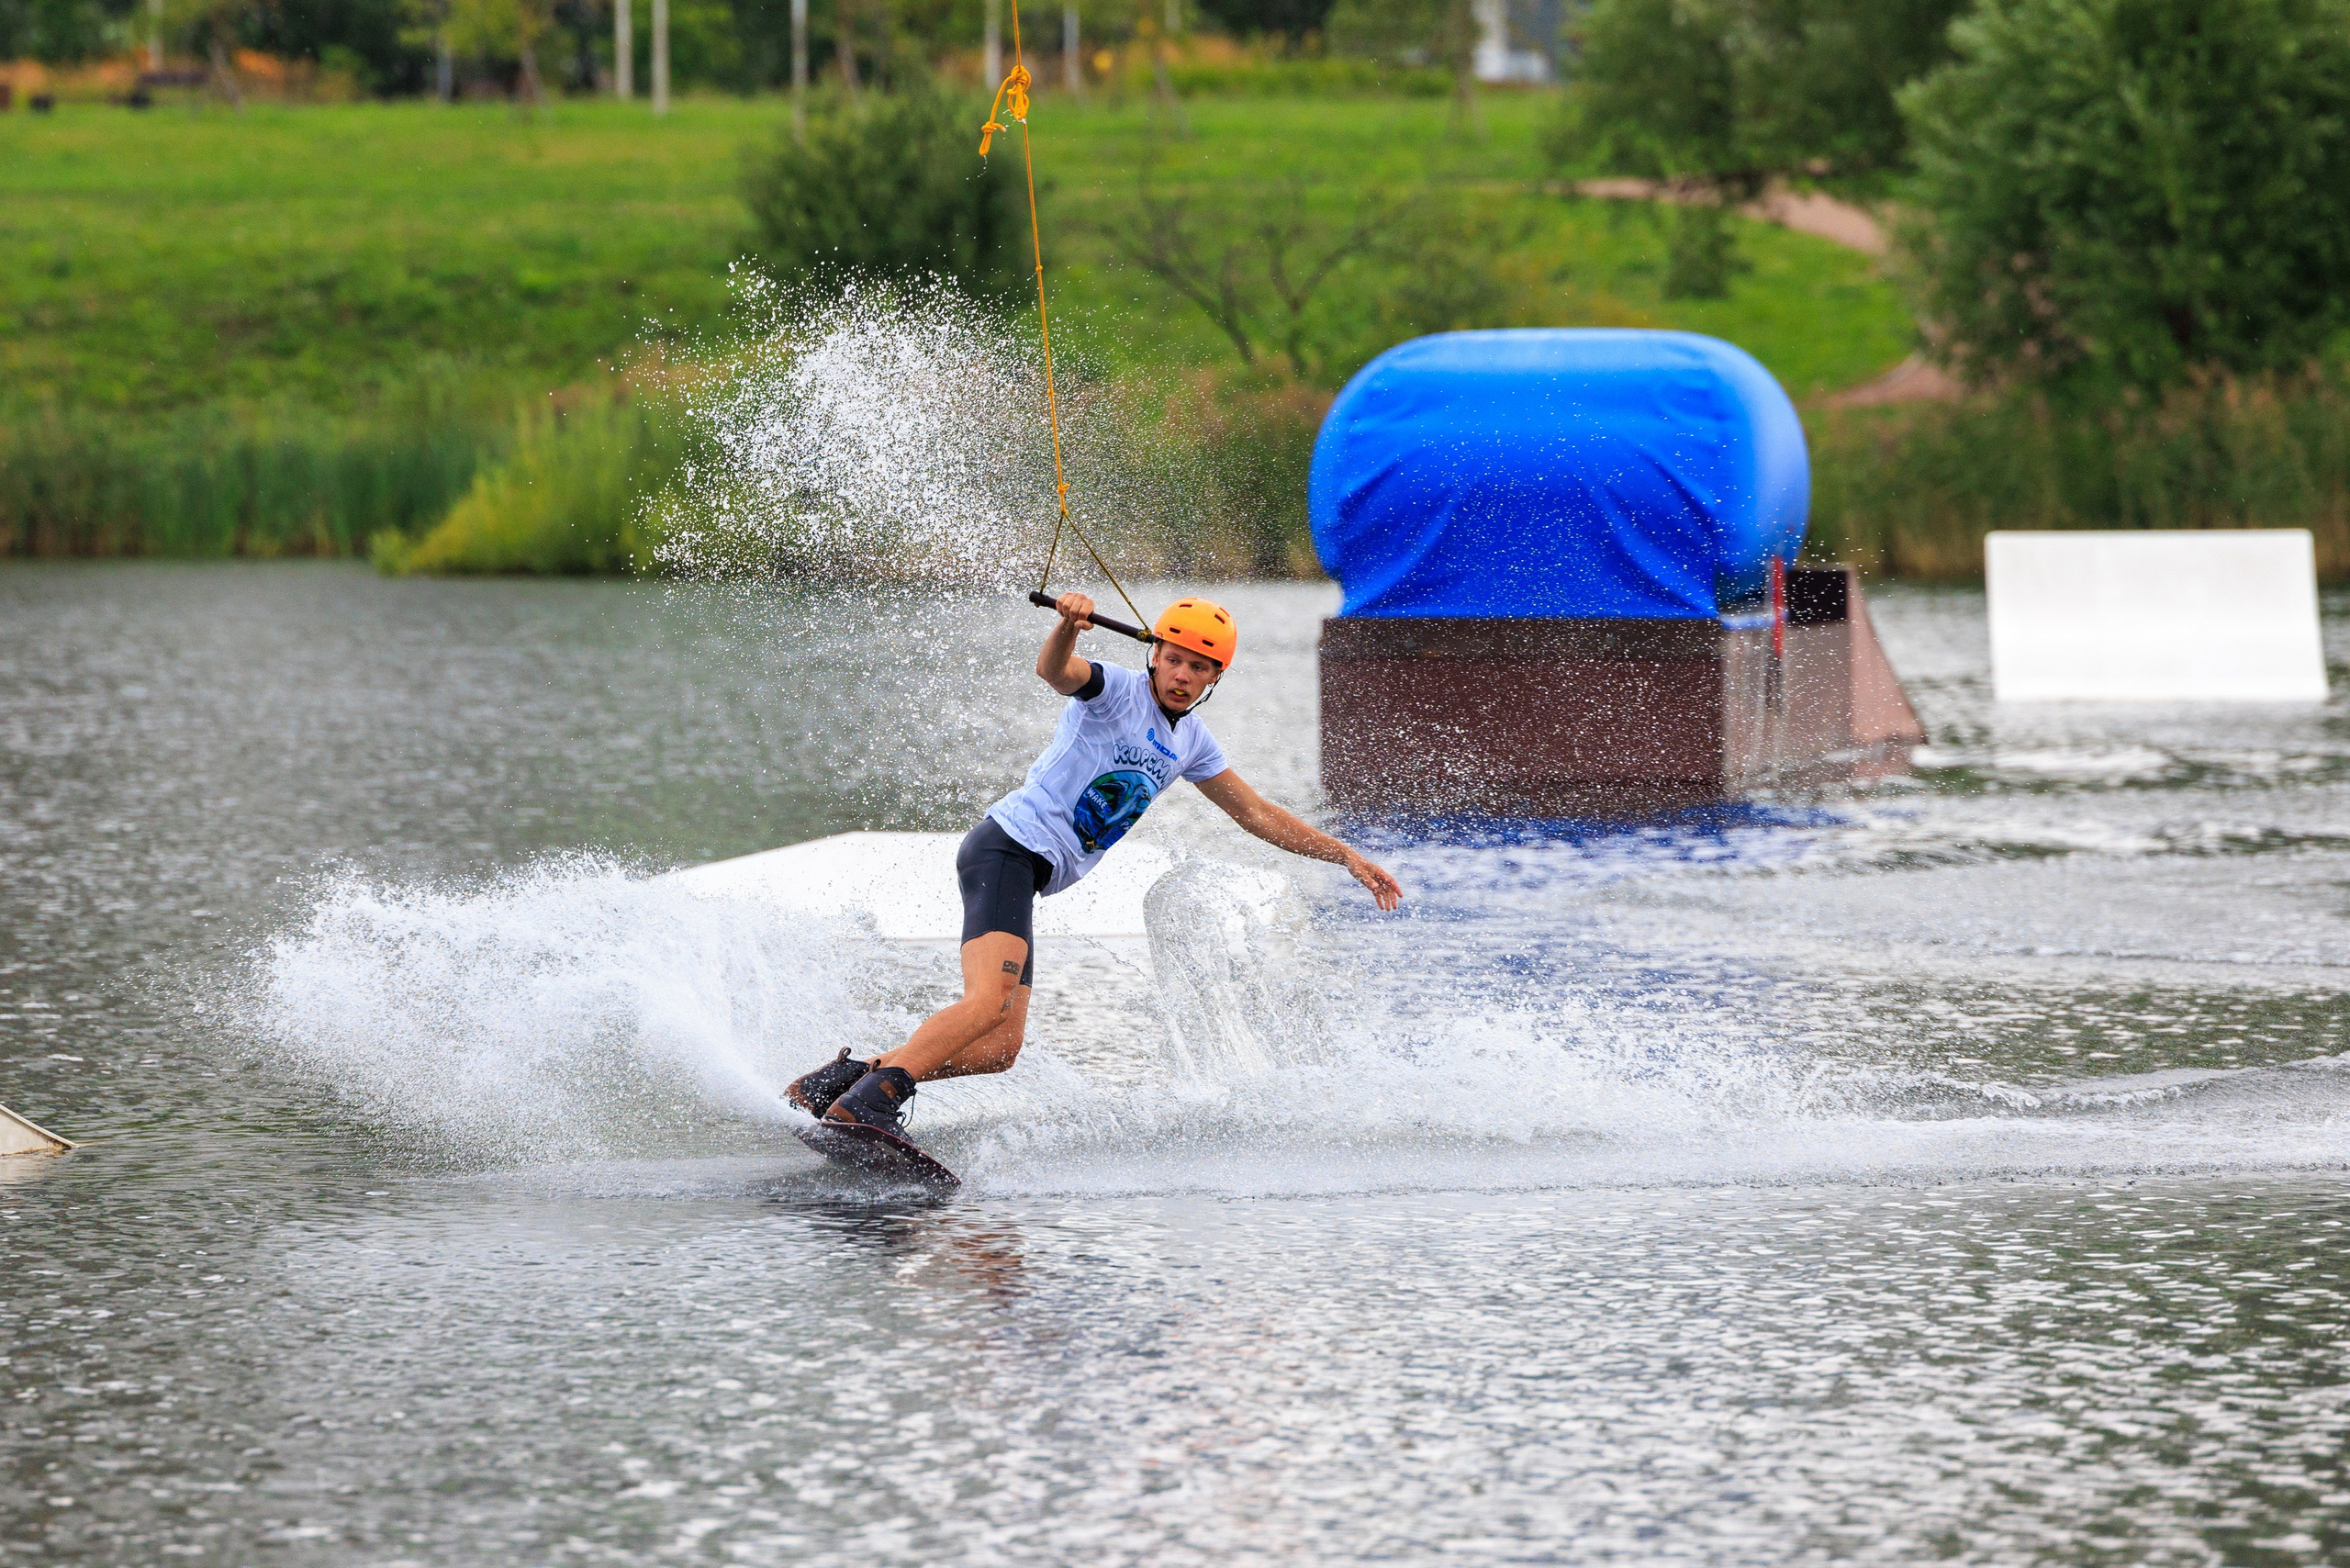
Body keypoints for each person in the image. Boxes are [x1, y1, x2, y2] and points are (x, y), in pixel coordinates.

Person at [788, 592, 1404, 1137]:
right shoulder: (1115, 691)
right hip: (1007, 849)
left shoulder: (1192, 742)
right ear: (1154, 654)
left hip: (1027, 873)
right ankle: (872, 1102)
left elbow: (1256, 813)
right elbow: (1055, 671)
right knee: (986, 1002)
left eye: (1199, 667)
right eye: (1174, 659)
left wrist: (1345, 855)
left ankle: (844, 1081)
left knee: (1000, 1048)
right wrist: (1067, 627)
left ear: (1216, 676)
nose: (1182, 675)